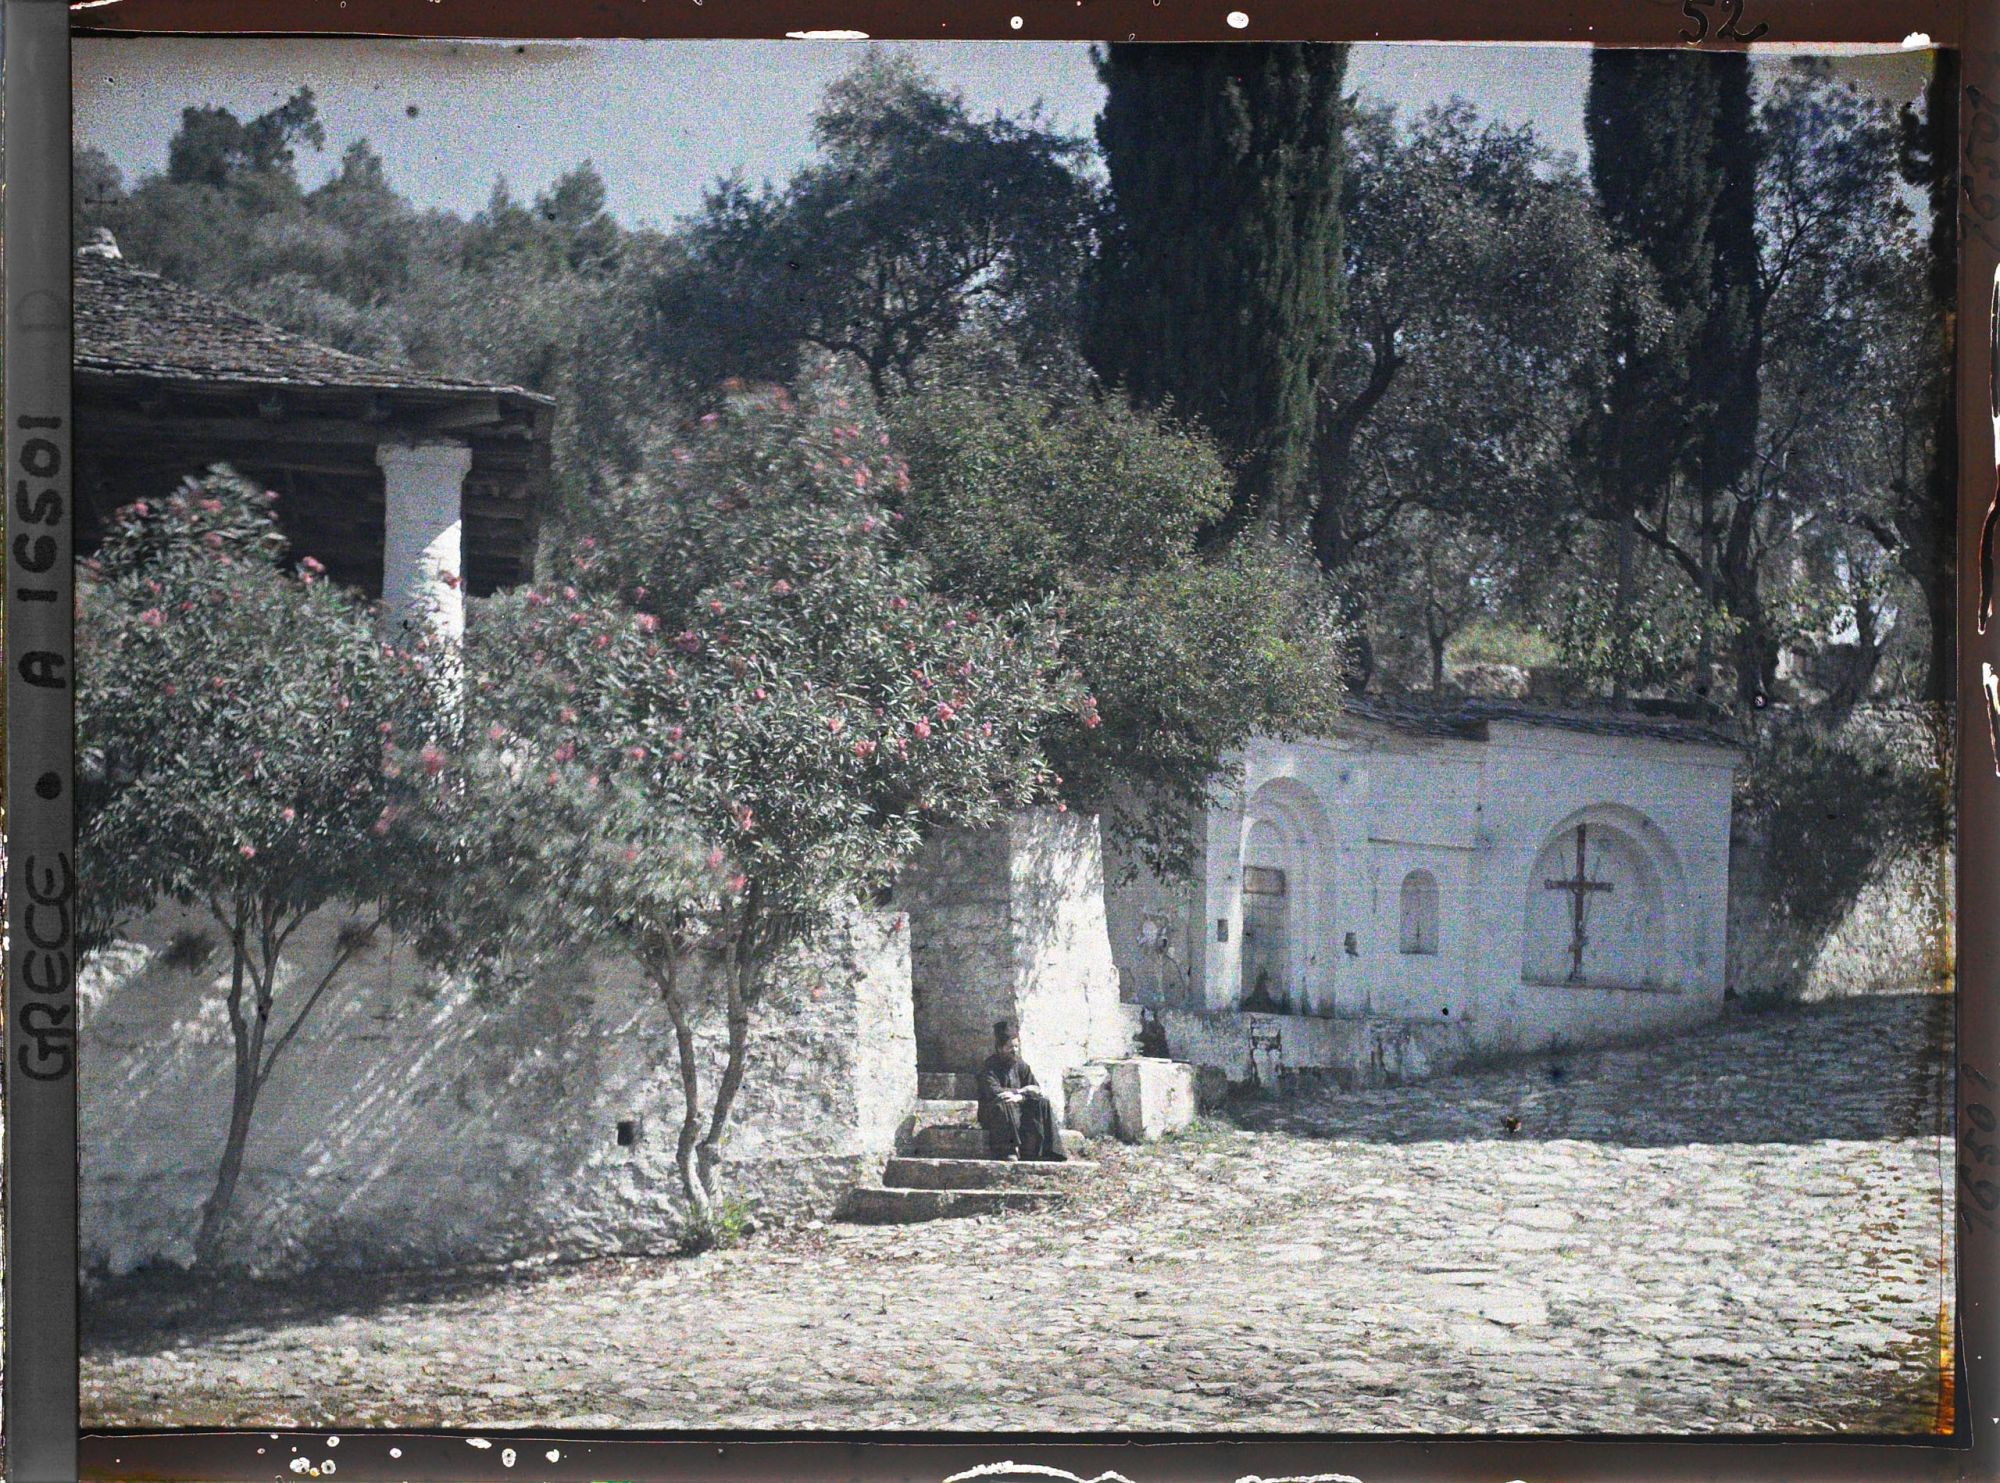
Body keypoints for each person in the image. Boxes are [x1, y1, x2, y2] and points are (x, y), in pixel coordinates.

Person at [976, 1020, 1066, 1162]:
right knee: (1005, 1102)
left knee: (1042, 1102)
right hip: (994, 1114)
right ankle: (1009, 1150)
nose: (1015, 1050)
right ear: (1000, 1048)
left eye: (1017, 1046)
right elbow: (995, 1092)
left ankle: (1046, 1150)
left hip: (1018, 1108)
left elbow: (1035, 1088)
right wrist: (1021, 1092)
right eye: (1010, 1047)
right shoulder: (989, 1067)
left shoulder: (1021, 1065)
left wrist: (1020, 1096)